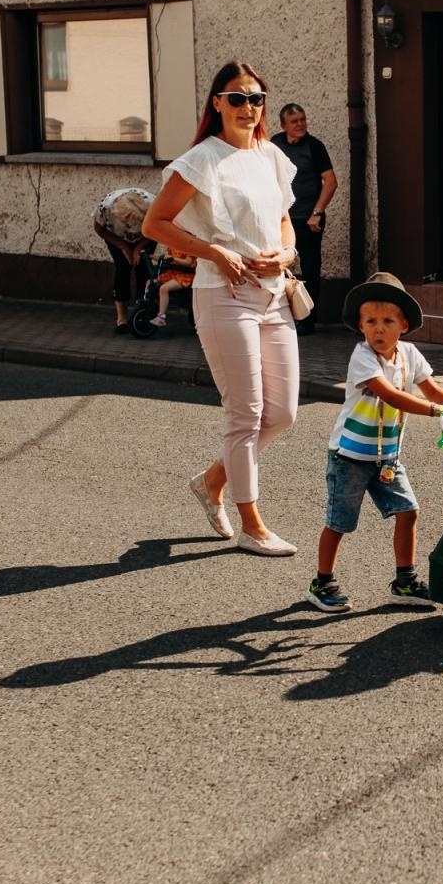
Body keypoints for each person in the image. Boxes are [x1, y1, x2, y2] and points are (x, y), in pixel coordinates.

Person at [142, 61, 302, 556]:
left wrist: (288, 251)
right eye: (236, 98)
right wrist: (215, 251)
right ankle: (252, 524)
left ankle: (212, 481)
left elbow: (284, 221)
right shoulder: (202, 160)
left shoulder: (272, 156)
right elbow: (155, 223)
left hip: (273, 294)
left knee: (284, 413)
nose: (248, 108)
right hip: (223, 295)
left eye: (255, 98)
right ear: (216, 103)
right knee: (246, 413)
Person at [305, 273, 443, 612]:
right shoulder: (363, 358)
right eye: (370, 321)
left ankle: (404, 581)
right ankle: (322, 581)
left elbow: (431, 390)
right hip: (351, 456)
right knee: (340, 521)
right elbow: (391, 396)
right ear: (360, 326)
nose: (379, 329)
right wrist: (437, 411)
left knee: (408, 511)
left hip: (387, 457)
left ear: (403, 325)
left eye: (387, 321)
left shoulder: (409, 354)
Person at [269, 103, 337, 334]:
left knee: (309, 269)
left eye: (303, 120)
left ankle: (308, 320)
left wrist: (316, 213)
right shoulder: (274, 145)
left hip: (308, 219)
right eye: (295, 121)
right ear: (283, 125)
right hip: (280, 219)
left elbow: (330, 181)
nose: (300, 125)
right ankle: (278, 315)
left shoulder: (314, 146)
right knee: (278, 267)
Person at [91, 187, 155, 334]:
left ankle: (142, 311)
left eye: (134, 223)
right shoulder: (105, 208)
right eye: (127, 223)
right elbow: (100, 230)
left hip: (146, 237)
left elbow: (158, 229)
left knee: (143, 269)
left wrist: (138, 248)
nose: (130, 228)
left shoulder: (153, 205)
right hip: (117, 237)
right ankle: (122, 318)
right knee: (122, 268)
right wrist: (124, 248)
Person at [150, 247, 196, 330]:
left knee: (164, 288)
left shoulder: (188, 246)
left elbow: (188, 262)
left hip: (185, 275)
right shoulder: (172, 245)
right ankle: (150, 305)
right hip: (173, 273)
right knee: (150, 283)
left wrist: (174, 259)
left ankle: (161, 317)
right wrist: (152, 257)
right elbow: (166, 258)